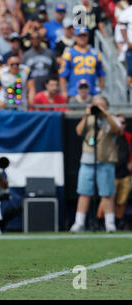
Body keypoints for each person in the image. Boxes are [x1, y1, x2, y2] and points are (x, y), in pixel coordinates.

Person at [70, 96, 121, 233]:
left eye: (101, 105)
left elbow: (117, 129)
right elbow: (79, 131)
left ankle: (110, 223)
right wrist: (86, 115)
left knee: (107, 193)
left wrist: (105, 114)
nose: (98, 108)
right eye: (96, 105)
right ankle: (79, 222)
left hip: (105, 160)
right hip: (87, 160)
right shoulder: (89, 119)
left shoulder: (112, 119)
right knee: (84, 192)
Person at [96, 115, 132, 230]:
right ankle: (100, 221)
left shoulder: (128, 137)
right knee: (107, 197)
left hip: (125, 174)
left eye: (123, 122)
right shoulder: (109, 136)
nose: (121, 125)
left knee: (122, 200)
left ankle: (118, 221)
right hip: (111, 172)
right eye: (119, 122)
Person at [59, 27, 105, 102]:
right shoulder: (69, 53)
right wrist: (64, 92)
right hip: (74, 92)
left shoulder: (95, 53)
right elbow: (62, 74)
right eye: (80, 36)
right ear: (75, 37)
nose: (82, 38)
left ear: (88, 36)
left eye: (84, 35)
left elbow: (101, 73)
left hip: (92, 91)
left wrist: (100, 88)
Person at [118, 0, 132, 98]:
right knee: (130, 74)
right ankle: (127, 97)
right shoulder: (126, 12)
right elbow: (122, 27)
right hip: (131, 49)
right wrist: (127, 42)